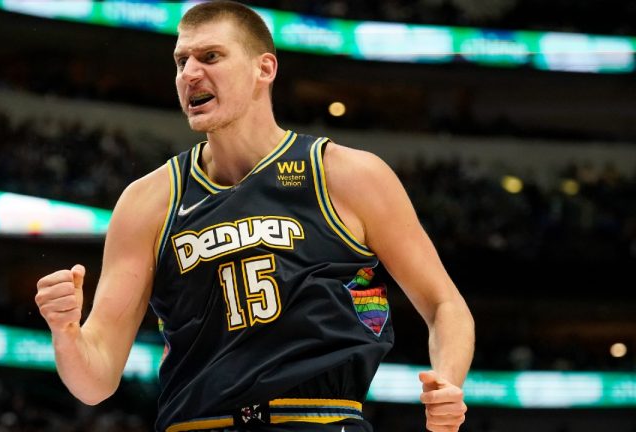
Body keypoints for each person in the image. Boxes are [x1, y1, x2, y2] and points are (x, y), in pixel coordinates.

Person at [35, 1, 475, 431]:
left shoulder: (346, 175)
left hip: (318, 419)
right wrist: (66, 331)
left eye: (210, 56)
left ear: (264, 69)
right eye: (180, 61)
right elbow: (95, 381)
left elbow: (446, 305)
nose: (189, 74)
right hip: (195, 422)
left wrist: (449, 383)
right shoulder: (147, 201)